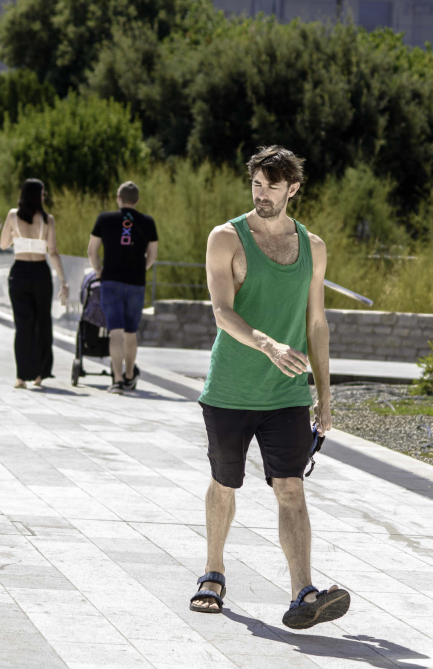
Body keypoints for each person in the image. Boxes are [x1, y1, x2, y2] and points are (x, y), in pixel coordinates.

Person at [189, 146, 346, 630]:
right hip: (231, 390)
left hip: (287, 395)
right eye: (256, 184)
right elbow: (222, 311)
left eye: (272, 187)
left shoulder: (312, 246)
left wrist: (325, 392)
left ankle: (304, 593)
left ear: (293, 189)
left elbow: (316, 323)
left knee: (291, 488)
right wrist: (269, 345)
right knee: (224, 483)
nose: (262, 195)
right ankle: (213, 573)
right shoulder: (226, 239)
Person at [87, 181, 159, 394]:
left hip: (110, 281)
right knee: (130, 332)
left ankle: (117, 380)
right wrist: (141, 269)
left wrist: (99, 270)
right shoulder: (147, 221)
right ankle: (129, 376)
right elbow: (152, 254)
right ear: (137, 201)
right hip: (136, 283)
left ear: (118, 199)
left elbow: (92, 251)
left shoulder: (105, 219)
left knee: (115, 331)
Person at [0, 178, 69, 389]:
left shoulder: (12, 216)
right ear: (38, 195)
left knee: (22, 325)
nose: (44, 197)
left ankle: (21, 377)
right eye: (43, 193)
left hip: (19, 272)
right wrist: (63, 280)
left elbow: (3, 245)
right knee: (42, 323)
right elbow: (53, 253)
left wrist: (13, 234)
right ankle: (39, 373)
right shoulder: (48, 220)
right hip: (40, 273)